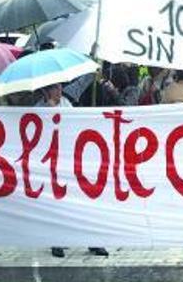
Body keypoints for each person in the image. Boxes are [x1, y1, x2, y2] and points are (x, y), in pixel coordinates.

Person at [33, 84, 107, 258]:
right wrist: (48, 113)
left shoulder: (66, 103)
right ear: (46, 91)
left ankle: (93, 241)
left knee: (83, 202)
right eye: (55, 89)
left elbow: (74, 125)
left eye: (60, 88)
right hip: (51, 163)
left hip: (71, 160)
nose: (59, 92)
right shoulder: (38, 108)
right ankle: (57, 241)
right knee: (56, 204)